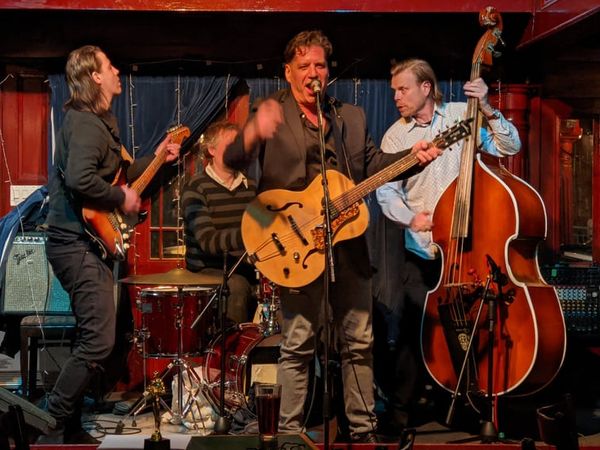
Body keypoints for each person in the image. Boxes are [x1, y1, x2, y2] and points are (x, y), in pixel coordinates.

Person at [223, 31, 442, 443]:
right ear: (288, 72)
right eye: (303, 66)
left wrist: (414, 158)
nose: (313, 73)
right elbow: (234, 158)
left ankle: (362, 430)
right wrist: (252, 133)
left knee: (359, 341)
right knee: (298, 343)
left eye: (320, 65)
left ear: (328, 71)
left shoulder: (350, 118)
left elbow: (375, 164)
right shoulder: (270, 110)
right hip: (296, 247)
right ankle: (289, 434)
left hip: (348, 247)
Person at [39, 45, 180, 444]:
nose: (118, 70)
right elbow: (81, 180)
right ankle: (49, 421)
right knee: (99, 340)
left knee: (94, 337)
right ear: (95, 76)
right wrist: (121, 198)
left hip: (84, 245)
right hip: (74, 243)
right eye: (110, 66)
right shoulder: (85, 124)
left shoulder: (97, 123)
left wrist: (158, 158)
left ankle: (67, 429)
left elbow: (119, 176)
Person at [375, 58, 521, 429]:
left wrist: (486, 107)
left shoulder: (462, 114)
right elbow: (387, 192)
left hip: (470, 248)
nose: (396, 97)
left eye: (403, 89)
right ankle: (401, 410)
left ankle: (471, 401)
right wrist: (411, 218)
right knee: (415, 327)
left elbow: (509, 146)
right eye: (394, 91)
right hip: (422, 248)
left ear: (426, 87)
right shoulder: (395, 136)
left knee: (475, 326)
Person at [182, 120, 257, 324]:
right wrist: (250, 235)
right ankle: (233, 344)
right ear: (212, 150)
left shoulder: (251, 187)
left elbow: (265, 225)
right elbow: (208, 241)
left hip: (246, 269)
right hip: (207, 271)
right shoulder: (196, 188)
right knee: (238, 287)